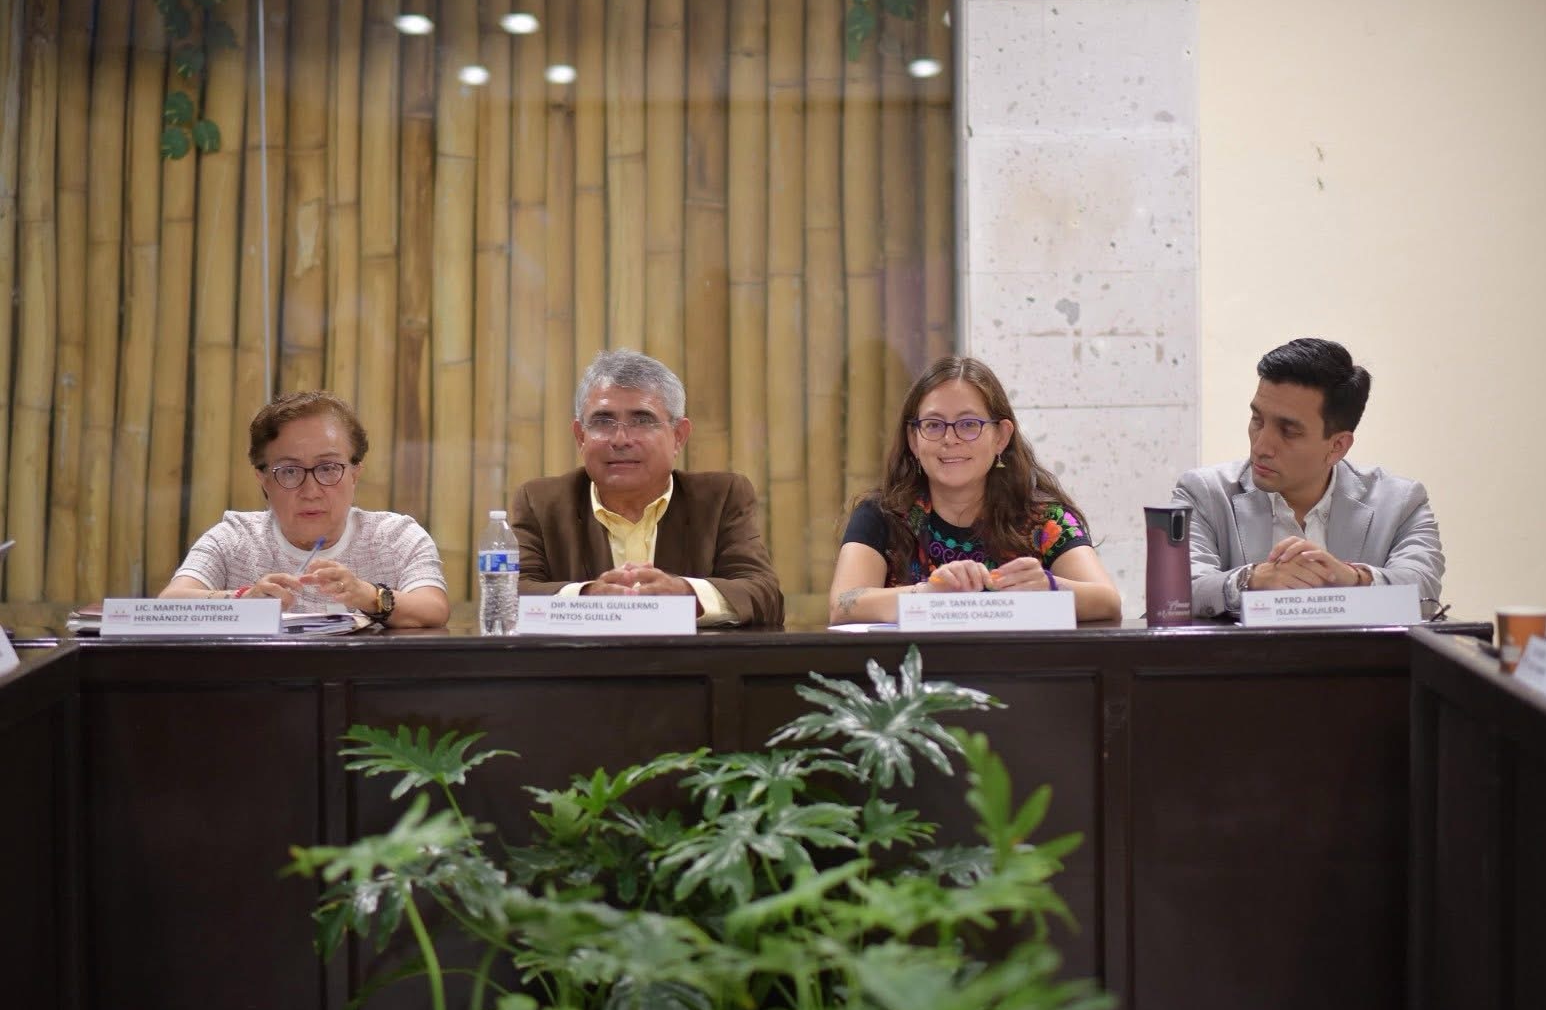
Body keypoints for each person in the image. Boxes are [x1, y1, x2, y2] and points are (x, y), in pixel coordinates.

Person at [829, 356, 1122, 624]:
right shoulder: (882, 515)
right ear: (914, 439)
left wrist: (1050, 586)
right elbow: (842, 605)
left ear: (1001, 437)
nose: (950, 439)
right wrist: (926, 595)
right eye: (933, 425)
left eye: (969, 424)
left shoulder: (1045, 520)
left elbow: (1108, 602)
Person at [1173, 337, 1445, 618]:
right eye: (1257, 420)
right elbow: (1177, 592)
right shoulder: (1204, 493)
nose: (1261, 447)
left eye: (1289, 431)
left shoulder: (1401, 503)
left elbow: (1424, 593)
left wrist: (1353, 580)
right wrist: (1250, 580)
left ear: (1337, 446)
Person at [509, 349, 783, 626]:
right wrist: (586, 598)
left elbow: (764, 595)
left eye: (642, 420)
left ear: (678, 436)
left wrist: (686, 595)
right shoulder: (541, 503)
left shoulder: (720, 498)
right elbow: (508, 596)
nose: (620, 439)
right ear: (581, 437)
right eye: (603, 421)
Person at [160, 391, 450, 627]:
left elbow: (434, 609)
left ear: (355, 473)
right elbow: (168, 607)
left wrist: (368, 595)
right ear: (263, 479)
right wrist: (243, 600)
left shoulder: (396, 537)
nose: (311, 491)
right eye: (289, 471)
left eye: (328, 468)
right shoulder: (234, 538)